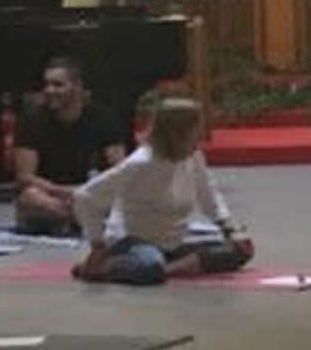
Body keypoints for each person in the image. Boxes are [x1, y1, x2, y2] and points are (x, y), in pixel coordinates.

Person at [73, 95, 254, 283]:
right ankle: (107, 267)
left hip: (173, 242)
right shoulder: (141, 163)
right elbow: (85, 196)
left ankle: (166, 269)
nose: (200, 135)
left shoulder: (193, 155)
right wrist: (97, 244)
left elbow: (209, 195)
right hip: (132, 240)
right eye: (196, 129)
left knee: (241, 249)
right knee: (149, 266)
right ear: (178, 132)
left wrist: (229, 229)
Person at [13, 56, 122, 236]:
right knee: (30, 198)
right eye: (46, 85)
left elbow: (119, 167)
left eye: (58, 85)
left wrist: (91, 190)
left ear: (77, 87)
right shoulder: (31, 120)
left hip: (88, 190)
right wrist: (63, 191)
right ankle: (84, 219)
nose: (49, 90)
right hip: (49, 192)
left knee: (122, 198)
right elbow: (25, 177)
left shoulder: (103, 117)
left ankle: (71, 220)